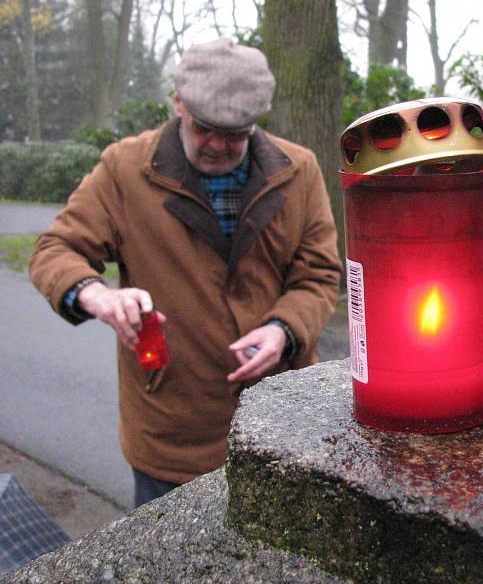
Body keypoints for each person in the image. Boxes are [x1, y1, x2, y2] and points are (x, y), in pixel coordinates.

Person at [28, 38, 342, 507]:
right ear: (177, 103)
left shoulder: (299, 170)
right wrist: (97, 295)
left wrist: (283, 330)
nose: (217, 145)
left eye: (235, 132)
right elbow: (56, 250)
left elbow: (319, 274)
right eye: (204, 128)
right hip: (171, 430)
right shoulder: (124, 169)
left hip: (283, 420)